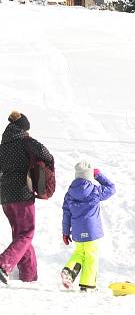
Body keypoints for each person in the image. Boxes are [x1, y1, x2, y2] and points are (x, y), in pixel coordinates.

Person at [0, 112, 55, 285]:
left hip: (5, 195)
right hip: (22, 192)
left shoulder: (2, 146)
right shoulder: (26, 141)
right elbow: (47, 155)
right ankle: (3, 263)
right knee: (26, 234)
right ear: (24, 128)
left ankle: (28, 276)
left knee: (21, 236)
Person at [60, 162, 116, 291]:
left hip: (77, 231)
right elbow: (111, 188)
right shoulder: (95, 190)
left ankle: (68, 270)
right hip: (91, 230)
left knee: (80, 252)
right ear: (89, 176)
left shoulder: (69, 194)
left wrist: (65, 232)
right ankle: (88, 284)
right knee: (91, 256)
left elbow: (66, 213)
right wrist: (98, 175)